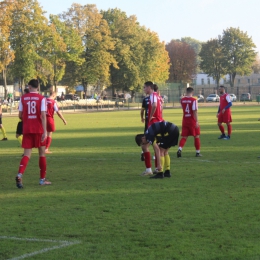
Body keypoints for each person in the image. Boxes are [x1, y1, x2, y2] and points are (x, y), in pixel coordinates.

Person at [15, 79, 51, 188]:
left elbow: (20, 115)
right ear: (38, 87)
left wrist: (27, 117)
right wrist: (45, 131)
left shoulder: (23, 98)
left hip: (27, 129)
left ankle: (20, 174)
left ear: (29, 86)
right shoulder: (42, 99)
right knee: (42, 154)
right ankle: (42, 180)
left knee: (26, 154)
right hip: (39, 129)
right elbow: (43, 115)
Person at [141, 81, 164, 175]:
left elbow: (154, 105)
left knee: (146, 145)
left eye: (145, 87)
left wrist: (150, 116)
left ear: (150, 87)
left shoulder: (153, 95)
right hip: (158, 123)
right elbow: (161, 109)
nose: (144, 89)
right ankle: (157, 168)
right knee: (154, 146)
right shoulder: (158, 96)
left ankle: (153, 169)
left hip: (154, 124)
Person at [177, 87, 202, 157]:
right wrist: (197, 121)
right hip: (192, 120)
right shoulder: (194, 100)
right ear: (192, 92)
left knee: (184, 137)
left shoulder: (182, 100)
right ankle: (197, 152)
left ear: (186, 91)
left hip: (185, 120)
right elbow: (194, 111)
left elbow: (183, 107)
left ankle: (179, 149)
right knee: (196, 136)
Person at [140, 94, 150, 161]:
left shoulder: (145, 99)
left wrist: (142, 118)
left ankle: (143, 152)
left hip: (147, 120)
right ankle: (156, 156)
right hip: (155, 121)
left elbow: (142, 111)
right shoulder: (158, 99)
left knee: (146, 138)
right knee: (156, 139)